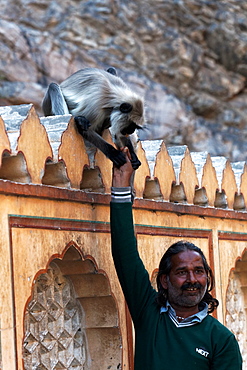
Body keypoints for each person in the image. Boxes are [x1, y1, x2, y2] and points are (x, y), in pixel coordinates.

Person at [110, 147, 242, 370]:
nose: (193, 279)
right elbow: (125, 255)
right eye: (182, 272)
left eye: (199, 271)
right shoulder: (149, 314)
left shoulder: (220, 339)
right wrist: (121, 183)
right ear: (164, 280)